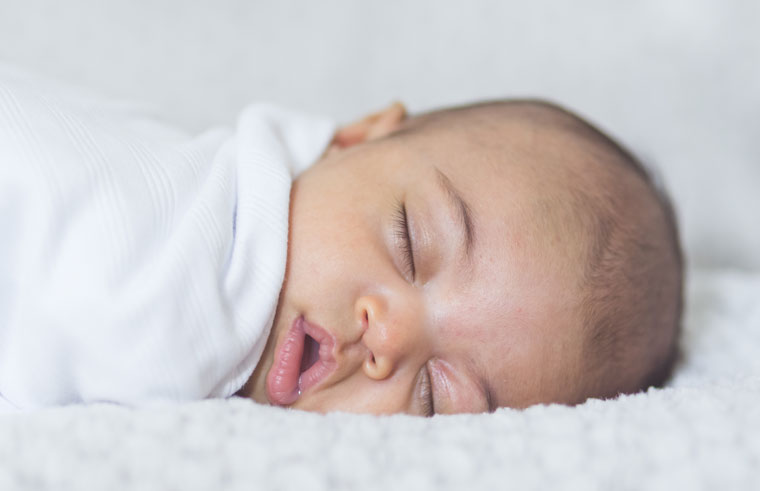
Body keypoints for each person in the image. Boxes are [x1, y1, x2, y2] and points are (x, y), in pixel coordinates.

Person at [0, 65, 682, 415]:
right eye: (409, 241)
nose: (387, 336)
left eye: (435, 397)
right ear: (351, 138)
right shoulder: (182, 242)